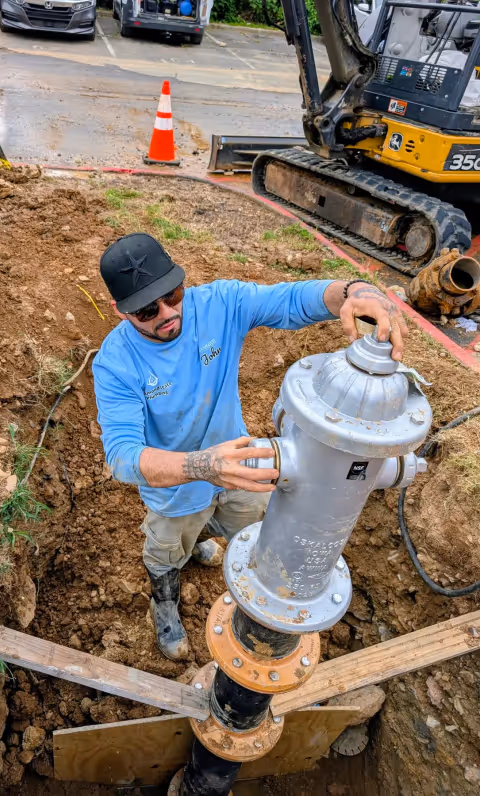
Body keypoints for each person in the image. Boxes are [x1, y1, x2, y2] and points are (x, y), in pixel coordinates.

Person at [92, 232, 407, 660]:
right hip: (177, 489)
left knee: (254, 525)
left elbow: (291, 301)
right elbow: (123, 458)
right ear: (121, 311)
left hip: (240, 467)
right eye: (148, 310)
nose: (168, 314)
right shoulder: (116, 363)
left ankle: (202, 535)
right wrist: (204, 465)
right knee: (166, 551)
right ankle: (164, 603)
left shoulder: (218, 304)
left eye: (173, 295)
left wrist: (354, 292)